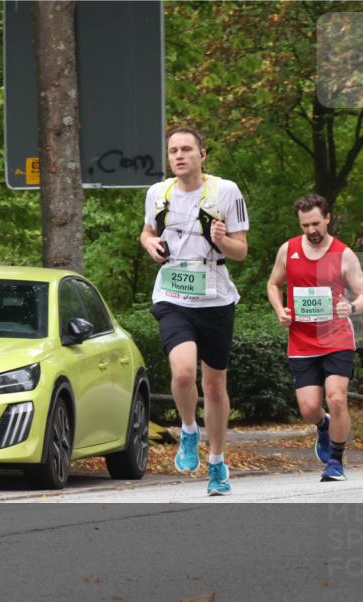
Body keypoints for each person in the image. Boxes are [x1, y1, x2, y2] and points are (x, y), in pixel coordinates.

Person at [139, 127, 249, 496]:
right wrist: (150, 243)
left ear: (203, 154)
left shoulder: (225, 192)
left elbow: (241, 251)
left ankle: (217, 462)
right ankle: (189, 430)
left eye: (187, 149)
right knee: (184, 373)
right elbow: (146, 232)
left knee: (215, 385)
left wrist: (222, 240)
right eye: (173, 150)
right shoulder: (159, 193)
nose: (179, 155)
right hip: (172, 293)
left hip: (215, 297)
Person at [266, 194, 363, 481]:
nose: (311, 230)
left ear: (327, 219)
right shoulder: (288, 250)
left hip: (337, 338)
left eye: (315, 223)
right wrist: (280, 309)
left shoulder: (344, 254)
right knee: (309, 408)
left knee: (337, 398)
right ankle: (323, 425)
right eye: (305, 225)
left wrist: (350, 307)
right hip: (301, 341)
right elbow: (273, 284)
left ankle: (336, 462)